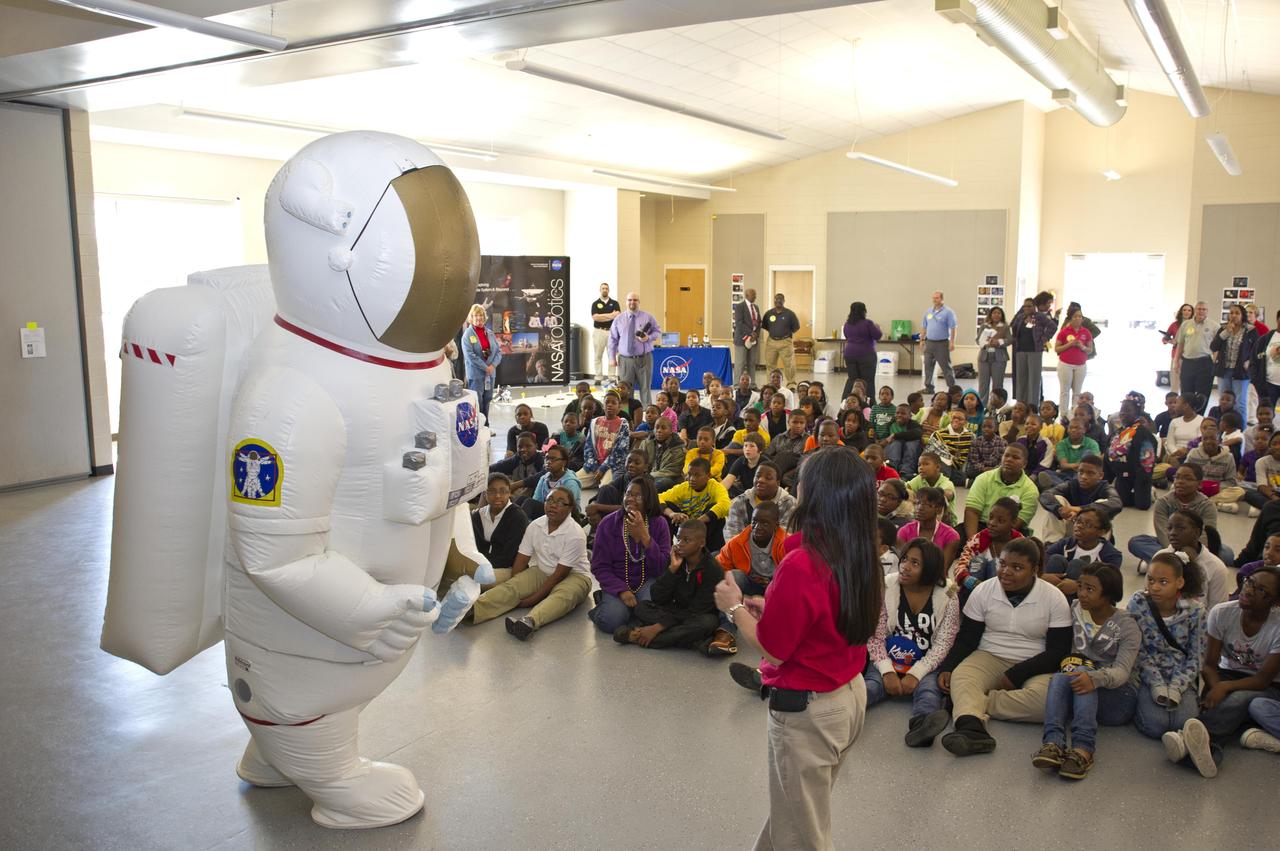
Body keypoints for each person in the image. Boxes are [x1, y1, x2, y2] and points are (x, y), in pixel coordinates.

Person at [713, 446, 881, 850]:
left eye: (801, 480)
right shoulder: (859, 551)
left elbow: (774, 649)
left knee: (803, 836)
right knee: (793, 816)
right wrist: (772, 607)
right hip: (847, 696)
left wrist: (735, 608)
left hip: (808, 712)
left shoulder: (802, 562)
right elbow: (828, 618)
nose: (794, 485)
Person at [932, 537, 1072, 755]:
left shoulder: (1054, 598)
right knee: (961, 677)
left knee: (1048, 702)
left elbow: (1058, 651)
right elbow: (967, 638)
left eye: (1017, 567)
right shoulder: (984, 591)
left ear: (1034, 570)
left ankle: (972, 703)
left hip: (1036, 662)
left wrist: (1016, 674)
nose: (1006, 572)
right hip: (989, 654)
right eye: (1002, 564)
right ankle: (972, 730)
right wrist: (949, 666)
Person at [1162, 567, 1280, 778]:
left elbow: (1262, 680)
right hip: (1226, 674)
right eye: (1250, 582)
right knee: (1219, 704)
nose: (1249, 590)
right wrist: (1217, 686)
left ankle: (1188, 740)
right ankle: (1209, 752)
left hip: (1267, 686)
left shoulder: (1277, 626)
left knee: (1239, 700)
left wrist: (1223, 688)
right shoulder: (1222, 612)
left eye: (1262, 590)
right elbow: (1209, 665)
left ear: (1275, 602)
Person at [1031, 564, 1140, 780]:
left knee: (1080, 672)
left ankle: (1084, 748)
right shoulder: (1073, 610)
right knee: (1061, 677)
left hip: (1118, 698)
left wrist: (1094, 678)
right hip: (1079, 687)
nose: (1082, 593)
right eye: (1080, 586)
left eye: (1090, 589)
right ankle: (1053, 743)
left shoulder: (1127, 626)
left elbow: (1122, 672)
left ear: (1109, 595)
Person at [866, 538, 961, 747]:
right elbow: (875, 635)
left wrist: (915, 674)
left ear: (930, 570)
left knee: (928, 692)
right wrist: (887, 671)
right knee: (871, 687)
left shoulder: (949, 593)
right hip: (888, 656)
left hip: (925, 661)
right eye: (905, 559)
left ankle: (922, 728)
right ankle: (843, 712)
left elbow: (943, 643)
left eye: (915, 563)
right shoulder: (887, 584)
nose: (905, 567)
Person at [469, 487, 592, 641]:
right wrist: (517, 582)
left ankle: (529, 621)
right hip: (543, 570)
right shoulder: (535, 525)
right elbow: (522, 558)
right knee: (512, 586)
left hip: (576, 576)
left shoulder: (576, 534)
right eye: (550, 500)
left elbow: (560, 574)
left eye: (560, 503)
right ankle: (474, 609)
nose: (553, 505)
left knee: (563, 596)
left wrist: (534, 598)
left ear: (570, 509)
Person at [614, 518, 734, 654]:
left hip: (697, 615)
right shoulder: (675, 559)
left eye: (686, 540)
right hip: (674, 611)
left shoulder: (712, 569)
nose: (679, 544)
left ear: (702, 543)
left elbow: (698, 610)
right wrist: (672, 570)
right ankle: (693, 641)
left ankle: (642, 637)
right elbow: (657, 597)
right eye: (678, 539)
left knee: (707, 623)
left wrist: (658, 627)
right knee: (642, 607)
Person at [588, 477, 672, 634]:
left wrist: (645, 538)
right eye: (628, 494)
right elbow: (599, 566)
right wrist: (621, 591)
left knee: (652, 615)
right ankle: (612, 604)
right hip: (617, 580)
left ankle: (630, 612)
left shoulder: (659, 523)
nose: (631, 499)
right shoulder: (608, 523)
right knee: (611, 621)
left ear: (649, 500)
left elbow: (661, 568)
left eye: (638, 496)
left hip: (647, 580)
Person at [1127, 463, 1223, 568]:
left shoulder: (1207, 505)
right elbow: (1163, 532)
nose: (1180, 482)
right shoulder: (1163, 502)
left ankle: (1158, 561)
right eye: (1177, 477)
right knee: (1136, 542)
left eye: (1188, 479)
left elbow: (1206, 534)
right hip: (1170, 543)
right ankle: (1176, 562)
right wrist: (1177, 552)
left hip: (1195, 545)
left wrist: (1194, 551)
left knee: (1227, 554)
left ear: (1199, 484)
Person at [1042, 507, 1123, 601]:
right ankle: (1049, 606)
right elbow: (1042, 560)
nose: (1079, 526)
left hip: (1091, 601)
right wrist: (1043, 576)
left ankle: (1066, 611)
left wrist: (1079, 586)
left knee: (1077, 564)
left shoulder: (1111, 555)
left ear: (1101, 532)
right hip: (1059, 593)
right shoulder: (1066, 544)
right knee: (1056, 559)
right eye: (1078, 521)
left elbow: (1108, 587)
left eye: (1088, 525)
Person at [1037, 455, 1121, 542]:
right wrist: (1059, 509)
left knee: (1102, 503)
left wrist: (1080, 509)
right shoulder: (1071, 485)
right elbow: (1045, 495)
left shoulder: (1105, 488)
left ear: (1100, 475)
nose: (1084, 476)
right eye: (1081, 472)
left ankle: (1098, 549)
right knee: (1057, 500)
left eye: (1090, 473)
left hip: (1093, 535)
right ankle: (1052, 545)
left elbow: (1116, 503)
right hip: (1072, 529)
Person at [466, 474, 529, 588]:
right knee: (458, 577)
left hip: (506, 568)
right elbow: (471, 546)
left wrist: (481, 567)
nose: (498, 495)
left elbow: (509, 556)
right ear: (485, 494)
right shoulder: (477, 515)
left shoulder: (517, 517)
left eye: (503, 491)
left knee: (474, 583)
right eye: (492, 491)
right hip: (480, 566)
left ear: (509, 493)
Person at [964, 443, 1039, 537]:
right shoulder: (983, 478)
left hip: (1009, 532)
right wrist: (973, 542)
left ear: (1024, 464)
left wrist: (989, 544)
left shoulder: (1030, 490)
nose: (1009, 459)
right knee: (956, 539)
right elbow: (972, 511)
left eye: (1015, 457)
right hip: (981, 525)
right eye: (1006, 455)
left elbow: (1017, 523)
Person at [952, 497, 1024, 594]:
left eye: (1001, 521)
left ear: (1013, 523)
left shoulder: (1021, 544)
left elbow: (1026, 574)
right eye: (990, 517)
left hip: (1006, 592)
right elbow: (960, 566)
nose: (992, 523)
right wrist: (967, 579)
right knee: (979, 561)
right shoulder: (978, 540)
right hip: (975, 590)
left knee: (997, 564)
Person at [717, 500, 787, 597]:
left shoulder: (786, 544)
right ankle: (731, 611)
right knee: (734, 576)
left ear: (776, 526)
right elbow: (720, 567)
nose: (757, 527)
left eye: (765, 523)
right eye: (754, 521)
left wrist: (773, 582)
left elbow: (794, 575)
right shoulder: (737, 543)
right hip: (748, 585)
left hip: (777, 587)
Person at [660, 457, 731, 551]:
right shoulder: (684, 487)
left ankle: (713, 552)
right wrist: (672, 514)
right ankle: (667, 550)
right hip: (685, 527)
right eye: (689, 474)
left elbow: (726, 504)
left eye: (697, 475)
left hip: (705, 529)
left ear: (708, 476)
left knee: (717, 513)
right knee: (666, 507)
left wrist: (698, 522)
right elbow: (658, 498)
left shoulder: (715, 487)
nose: (692, 479)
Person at [608, 291, 661, 406]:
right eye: (630, 300)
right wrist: (611, 358)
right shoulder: (618, 319)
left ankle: (647, 413)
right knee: (625, 389)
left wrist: (648, 337)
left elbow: (658, 332)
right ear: (626, 302)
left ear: (639, 302)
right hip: (625, 360)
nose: (632, 302)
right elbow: (612, 339)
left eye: (635, 300)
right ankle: (627, 414)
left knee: (645, 387)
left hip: (644, 358)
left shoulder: (648, 317)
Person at [723, 460, 797, 541]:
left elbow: (785, 538)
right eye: (757, 476)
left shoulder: (789, 504)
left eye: (768, 478)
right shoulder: (739, 502)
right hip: (742, 552)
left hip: (778, 552)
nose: (761, 480)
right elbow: (732, 536)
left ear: (778, 483)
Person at [1106, 395, 1158, 510]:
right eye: (1122, 410)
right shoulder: (1119, 432)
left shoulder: (1142, 433)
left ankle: (1150, 490)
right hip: (1122, 474)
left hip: (1140, 475)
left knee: (1142, 506)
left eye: (1127, 410)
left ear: (1137, 412)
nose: (1123, 413)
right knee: (1123, 503)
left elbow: (1147, 461)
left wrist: (1142, 480)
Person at [1211, 303, 1258, 425]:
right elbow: (1214, 346)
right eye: (1231, 313)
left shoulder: (1250, 330)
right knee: (1224, 401)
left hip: (1240, 372)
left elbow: (1256, 349)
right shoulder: (1223, 329)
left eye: (1237, 313)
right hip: (1224, 370)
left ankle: (1240, 429)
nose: (1233, 315)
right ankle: (1224, 427)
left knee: (1239, 402)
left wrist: (1249, 362)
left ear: (1243, 315)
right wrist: (1226, 332)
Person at [1010, 292, 1058, 405]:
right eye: (1025, 306)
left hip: (1034, 351)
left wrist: (1044, 338)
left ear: (1034, 307)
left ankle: (1033, 405)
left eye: (1029, 306)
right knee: (1021, 378)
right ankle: (1020, 403)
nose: (1027, 308)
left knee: (1034, 379)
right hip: (1021, 350)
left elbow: (1053, 326)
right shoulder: (1021, 317)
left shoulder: (1040, 316)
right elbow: (1013, 326)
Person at [895, 486, 961, 566]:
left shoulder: (951, 536)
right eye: (917, 503)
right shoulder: (904, 531)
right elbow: (903, 564)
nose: (919, 508)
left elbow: (942, 570)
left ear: (939, 509)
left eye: (926, 504)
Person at [586, 449, 650, 528]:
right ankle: (599, 529)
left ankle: (598, 531)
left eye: (637, 463)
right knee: (606, 489)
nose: (631, 465)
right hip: (619, 512)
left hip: (636, 518)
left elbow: (631, 508)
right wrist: (593, 505)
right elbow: (602, 492)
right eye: (629, 461)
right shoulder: (625, 477)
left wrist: (598, 507)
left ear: (646, 467)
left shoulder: (647, 483)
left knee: (599, 507)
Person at [579, 391, 630, 489]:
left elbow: (619, 452)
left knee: (605, 489)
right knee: (573, 482)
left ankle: (599, 481)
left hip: (612, 466)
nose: (610, 405)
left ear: (619, 407)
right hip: (594, 465)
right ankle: (596, 479)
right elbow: (588, 446)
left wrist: (603, 468)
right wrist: (594, 467)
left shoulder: (623, 424)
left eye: (614, 403)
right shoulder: (595, 422)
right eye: (607, 402)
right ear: (603, 406)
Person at [461, 303, 501, 419]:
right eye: (476, 315)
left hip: (490, 374)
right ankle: (477, 428)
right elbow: (470, 356)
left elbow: (498, 352)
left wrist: (492, 366)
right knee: (477, 401)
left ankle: (486, 426)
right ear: (471, 317)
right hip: (476, 374)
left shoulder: (490, 333)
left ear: (484, 317)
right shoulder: (467, 335)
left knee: (487, 399)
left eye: (481, 315)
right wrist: (485, 367)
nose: (479, 318)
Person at [1175, 302, 1214, 414]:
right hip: (1188, 362)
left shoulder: (1214, 326)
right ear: (1195, 310)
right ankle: (1185, 416)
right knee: (1186, 392)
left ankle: (1199, 417)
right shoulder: (1186, 324)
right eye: (1199, 309)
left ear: (1207, 311)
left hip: (1205, 362)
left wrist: (1215, 361)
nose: (1201, 311)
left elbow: (1218, 347)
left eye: (1204, 309)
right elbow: (1180, 344)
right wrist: (1176, 361)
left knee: (1203, 393)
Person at [522, 444, 581, 519]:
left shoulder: (570, 482)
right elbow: (536, 500)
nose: (549, 462)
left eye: (553, 459)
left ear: (564, 462)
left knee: (529, 503)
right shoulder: (544, 478)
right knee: (522, 499)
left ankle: (519, 528)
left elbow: (568, 508)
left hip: (566, 515)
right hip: (548, 510)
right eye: (547, 458)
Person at [1054, 307, 1092, 418]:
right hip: (1065, 364)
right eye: (1075, 316)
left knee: (1077, 392)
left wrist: (1081, 346)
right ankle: (1064, 415)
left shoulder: (1086, 332)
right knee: (1064, 391)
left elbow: (1090, 350)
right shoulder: (1064, 332)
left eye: (1080, 316)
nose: (1078, 318)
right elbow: (1057, 349)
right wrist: (1070, 344)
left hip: (1080, 365)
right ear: (1070, 318)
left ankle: (1075, 413)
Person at [918, 290, 957, 394]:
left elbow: (953, 328)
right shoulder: (928, 312)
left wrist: (952, 342)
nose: (934, 300)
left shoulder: (948, 312)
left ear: (942, 299)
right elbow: (924, 326)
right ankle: (929, 387)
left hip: (942, 343)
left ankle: (952, 389)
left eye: (937, 298)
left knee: (946, 367)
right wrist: (922, 340)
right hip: (929, 342)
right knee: (928, 366)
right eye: (933, 298)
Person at [841, 301, 881, 398]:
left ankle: (846, 401)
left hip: (849, 354)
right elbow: (877, 336)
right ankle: (869, 403)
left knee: (852, 379)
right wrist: (877, 328)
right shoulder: (868, 323)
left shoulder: (847, 324)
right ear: (864, 311)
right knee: (868, 381)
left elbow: (847, 336)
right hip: (866, 354)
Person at [761, 292, 801, 386]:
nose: (778, 301)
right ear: (774, 300)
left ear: (784, 301)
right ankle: (771, 384)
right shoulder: (768, 313)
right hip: (771, 342)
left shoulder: (790, 314)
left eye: (780, 299)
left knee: (789, 364)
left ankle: (791, 384)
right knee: (770, 365)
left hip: (785, 342)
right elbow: (766, 326)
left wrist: (784, 333)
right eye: (776, 299)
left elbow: (796, 327)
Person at [638, 415, 686, 492]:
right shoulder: (646, 443)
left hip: (670, 479)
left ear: (671, 431)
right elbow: (639, 460)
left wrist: (648, 476)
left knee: (662, 483)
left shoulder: (677, 448)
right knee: (625, 478)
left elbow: (671, 471)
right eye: (656, 427)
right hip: (648, 476)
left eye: (663, 428)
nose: (659, 430)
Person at [977, 305, 1010, 402]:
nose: (996, 315)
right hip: (984, 357)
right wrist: (985, 342)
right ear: (990, 315)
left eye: (998, 313)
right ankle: (982, 405)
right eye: (994, 313)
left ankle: (996, 405)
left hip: (999, 357)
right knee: (983, 383)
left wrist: (999, 342)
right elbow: (978, 339)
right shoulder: (984, 326)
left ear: (1001, 315)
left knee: (998, 383)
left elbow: (1010, 339)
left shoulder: (1005, 326)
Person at [882, 404, 923, 479]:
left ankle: (906, 472)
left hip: (908, 452)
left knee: (912, 443)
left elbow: (918, 433)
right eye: (897, 413)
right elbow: (884, 439)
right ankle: (891, 469)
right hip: (893, 451)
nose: (899, 415)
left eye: (903, 413)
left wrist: (895, 435)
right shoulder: (890, 424)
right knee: (896, 443)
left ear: (910, 416)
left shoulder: (913, 424)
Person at [1248, 308, 1280, 406]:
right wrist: (1256, 381)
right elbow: (1253, 361)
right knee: (1266, 414)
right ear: (1277, 319)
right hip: (1269, 384)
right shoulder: (1265, 339)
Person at [590, 282, 620, 381]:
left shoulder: (614, 303)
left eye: (606, 288)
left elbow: (618, 315)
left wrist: (602, 316)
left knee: (612, 354)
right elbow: (595, 317)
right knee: (598, 355)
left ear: (608, 290)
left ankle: (611, 376)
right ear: (600, 290)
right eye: (603, 288)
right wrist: (611, 315)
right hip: (599, 331)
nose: (605, 290)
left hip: (612, 332)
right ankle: (598, 377)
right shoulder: (595, 303)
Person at [964, 416, 1006, 487]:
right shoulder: (976, 441)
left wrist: (993, 469)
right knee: (970, 471)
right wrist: (983, 468)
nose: (986, 429)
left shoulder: (1002, 442)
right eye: (984, 427)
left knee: (1004, 471)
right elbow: (974, 460)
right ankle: (990, 482)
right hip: (980, 469)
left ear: (995, 429)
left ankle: (977, 482)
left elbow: (1002, 461)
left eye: (990, 427)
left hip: (995, 469)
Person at [733, 287, 763, 383]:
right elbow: (739, 323)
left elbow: (758, 322)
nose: (755, 296)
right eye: (753, 295)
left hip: (753, 339)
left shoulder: (756, 307)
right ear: (747, 295)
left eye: (755, 295)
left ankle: (752, 384)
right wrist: (751, 333)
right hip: (742, 340)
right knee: (740, 364)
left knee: (752, 363)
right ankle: (737, 385)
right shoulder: (739, 307)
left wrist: (756, 334)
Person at [721, 432, 765, 498]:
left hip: (761, 494)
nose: (747, 449)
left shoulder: (765, 464)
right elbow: (727, 481)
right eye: (745, 445)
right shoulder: (741, 461)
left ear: (760, 450)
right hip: (745, 493)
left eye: (752, 446)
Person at [1163, 303, 1194, 392]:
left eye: (1189, 310)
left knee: (1188, 381)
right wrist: (1169, 341)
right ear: (1181, 312)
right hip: (1176, 355)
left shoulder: (1195, 325)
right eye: (1184, 310)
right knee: (1175, 380)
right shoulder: (1174, 325)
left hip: (1190, 356)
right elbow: (1165, 338)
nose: (1187, 312)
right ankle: (1173, 400)